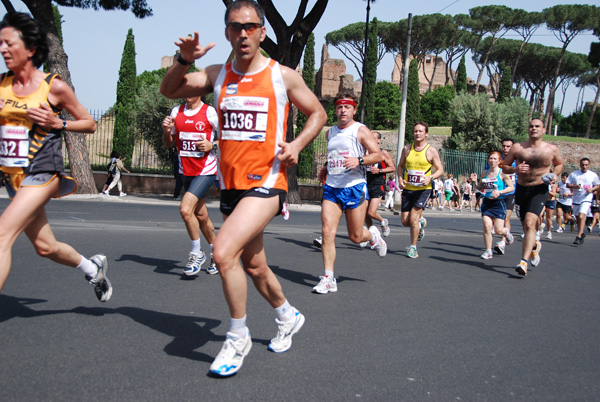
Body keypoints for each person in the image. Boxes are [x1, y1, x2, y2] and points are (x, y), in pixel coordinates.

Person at [160, 0, 327, 377]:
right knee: (253, 264)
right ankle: (287, 315)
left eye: (251, 26)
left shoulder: (282, 76)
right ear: (227, 33)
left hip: (268, 183)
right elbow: (169, 90)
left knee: (222, 252)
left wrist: (297, 145)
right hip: (230, 187)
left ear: (263, 32)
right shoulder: (217, 75)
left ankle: (237, 337)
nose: (244, 33)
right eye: (236, 26)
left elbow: (318, 113)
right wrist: (183, 60)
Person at [0, 12, 111, 301]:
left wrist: (57, 123)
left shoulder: (53, 86)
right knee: (45, 247)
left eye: (9, 43)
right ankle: (92, 268)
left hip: (43, 172)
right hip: (14, 177)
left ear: (31, 49)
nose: (3, 49)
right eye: (0, 43)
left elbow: (89, 122)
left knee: (1, 235)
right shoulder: (2, 84)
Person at [313, 92, 387, 294]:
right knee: (327, 232)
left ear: (354, 109)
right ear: (335, 110)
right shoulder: (331, 133)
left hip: (354, 186)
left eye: (347, 107)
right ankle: (329, 278)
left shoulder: (360, 130)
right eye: (339, 107)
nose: (343, 110)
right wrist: (326, 167)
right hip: (332, 187)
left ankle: (373, 238)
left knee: (355, 236)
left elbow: (378, 155)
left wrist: (359, 160)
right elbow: (335, 154)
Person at [162, 95, 219, 276]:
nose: (186, 94)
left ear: (199, 93)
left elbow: (229, 137)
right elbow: (169, 144)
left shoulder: (209, 112)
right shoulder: (175, 112)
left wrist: (213, 144)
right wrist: (166, 131)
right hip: (185, 171)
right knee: (201, 216)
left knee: (186, 210)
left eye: (190, 90)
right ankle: (218, 254)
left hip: (205, 170)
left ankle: (197, 254)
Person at [502, 119, 564, 276]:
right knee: (526, 226)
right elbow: (505, 167)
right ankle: (534, 246)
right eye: (531, 126)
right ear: (528, 129)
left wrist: (555, 174)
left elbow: (559, 164)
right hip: (522, 190)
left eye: (537, 126)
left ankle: (523, 262)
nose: (534, 128)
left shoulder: (551, 149)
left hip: (540, 190)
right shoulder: (518, 148)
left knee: (530, 224)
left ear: (543, 130)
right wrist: (516, 169)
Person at [397, 122, 444, 258]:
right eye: (415, 131)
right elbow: (400, 166)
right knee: (405, 221)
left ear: (426, 133)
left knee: (413, 220)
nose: (417, 133)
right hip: (408, 188)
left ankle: (413, 248)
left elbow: (440, 170)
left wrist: (430, 177)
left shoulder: (431, 151)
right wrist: (400, 179)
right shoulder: (407, 149)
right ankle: (421, 223)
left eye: (420, 131)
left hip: (423, 189)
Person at [472, 151, 515, 259]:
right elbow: (480, 186)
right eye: (491, 158)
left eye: (495, 159)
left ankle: (507, 233)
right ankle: (488, 251)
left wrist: (500, 192)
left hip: (498, 203)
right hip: (487, 202)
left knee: (498, 230)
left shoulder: (502, 173)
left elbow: (511, 187)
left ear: (499, 161)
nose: (492, 161)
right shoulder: (484, 173)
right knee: (487, 227)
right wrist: (475, 182)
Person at [364, 131, 395, 236]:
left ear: (378, 140)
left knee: (371, 212)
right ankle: (372, 233)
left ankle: (383, 221)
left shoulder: (383, 153)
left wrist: (379, 171)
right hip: (365, 185)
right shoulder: (364, 153)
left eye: (373, 138)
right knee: (364, 213)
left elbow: (392, 168)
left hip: (378, 185)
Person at [566, 158, 600, 245]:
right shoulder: (574, 174)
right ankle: (581, 233)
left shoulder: (592, 175)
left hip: (587, 198)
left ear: (589, 165)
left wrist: (592, 189)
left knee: (581, 216)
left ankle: (579, 236)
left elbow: (598, 185)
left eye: (586, 165)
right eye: (582, 165)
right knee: (578, 218)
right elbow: (567, 184)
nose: (584, 167)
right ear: (580, 165)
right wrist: (574, 186)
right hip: (577, 198)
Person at [493, 138, 517, 254]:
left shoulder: (517, 161)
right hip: (497, 193)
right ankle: (505, 233)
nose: (505, 148)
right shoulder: (497, 159)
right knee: (496, 219)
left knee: (506, 217)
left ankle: (502, 243)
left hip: (510, 193)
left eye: (508, 146)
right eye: (504, 146)